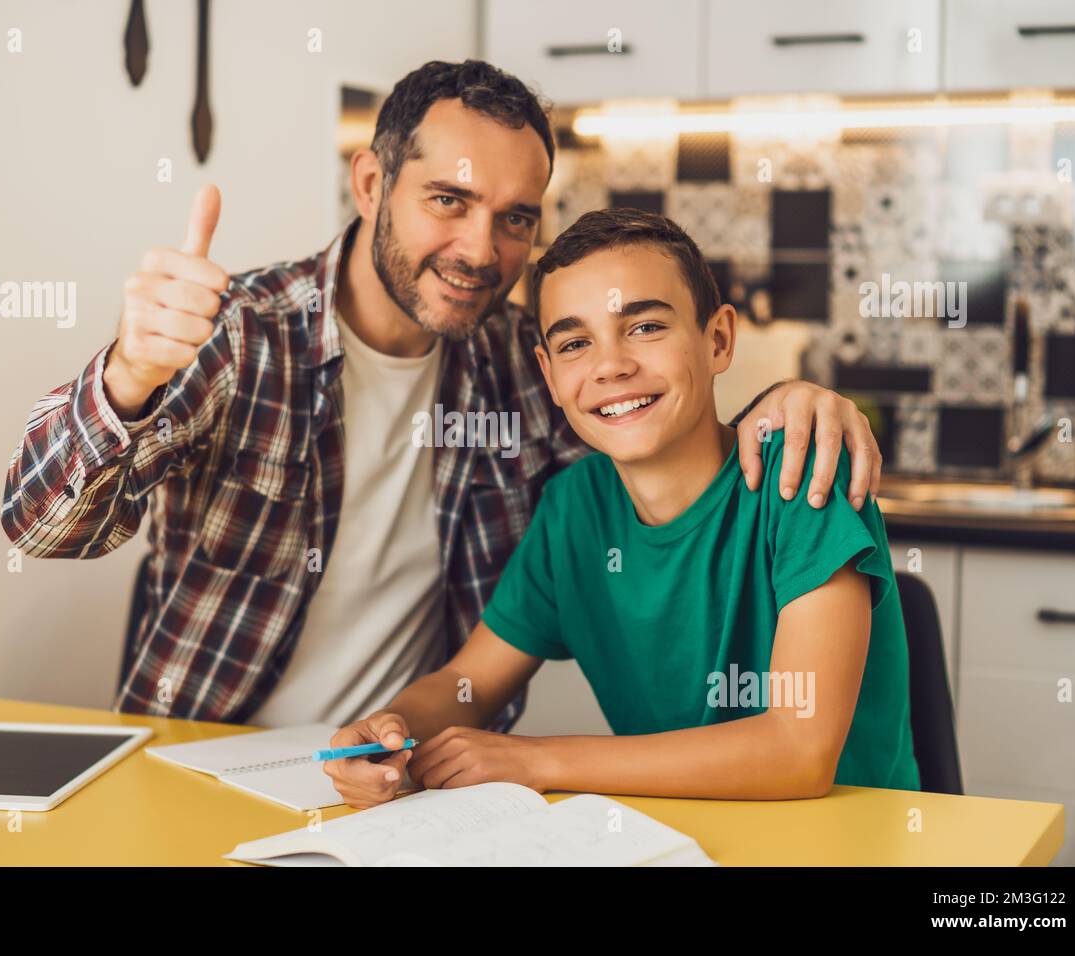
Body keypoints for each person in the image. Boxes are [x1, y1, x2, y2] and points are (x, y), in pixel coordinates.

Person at [2, 60, 883, 728]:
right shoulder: (238, 335)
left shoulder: (520, 360)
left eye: (514, 217)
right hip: (200, 754)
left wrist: (794, 396)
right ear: (372, 184)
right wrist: (129, 377)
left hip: (408, 778)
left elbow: (659, 425)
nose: (479, 248)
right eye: (449, 200)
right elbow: (39, 526)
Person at [325, 208, 919, 807]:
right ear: (550, 377)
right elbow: (466, 683)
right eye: (576, 343)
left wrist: (539, 759)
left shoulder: (801, 469)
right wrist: (389, 731)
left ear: (717, 340)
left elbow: (798, 752)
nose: (611, 365)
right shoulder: (573, 509)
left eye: (645, 328)